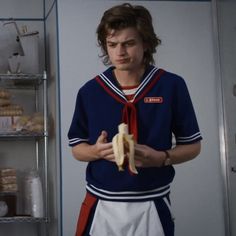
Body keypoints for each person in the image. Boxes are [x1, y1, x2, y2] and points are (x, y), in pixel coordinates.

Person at [68, 3, 202, 236]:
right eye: (112, 44)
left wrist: (162, 158)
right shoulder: (90, 91)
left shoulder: (172, 86)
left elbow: (193, 146)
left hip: (152, 202)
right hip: (101, 203)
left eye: (129, 43)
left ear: (146, 43)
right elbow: (77, 149)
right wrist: (97, 152)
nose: (119, 52)